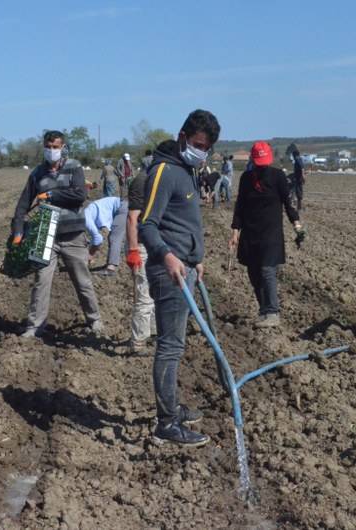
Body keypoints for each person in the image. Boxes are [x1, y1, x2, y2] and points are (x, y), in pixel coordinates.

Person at [140, 109, 221, 447]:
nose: (202, 152)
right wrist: (170, 256)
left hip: (186, 267)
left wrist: (197, 259)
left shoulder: (187, 171)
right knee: (170, 346)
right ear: (183, 137)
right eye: (198, 144)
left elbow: (185, 222)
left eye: (207, 148)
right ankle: (166, 422)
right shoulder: (164, 171)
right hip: (168, 269)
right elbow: (147, 224)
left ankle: (172, 407)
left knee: (178, 343)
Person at [10, 130, 103, 338]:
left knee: (82, 280)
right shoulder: (37, 174)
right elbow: (23, 205)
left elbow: (80, 195)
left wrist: (52, 194)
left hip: (73, 234)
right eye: (48, 147)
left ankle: (94, 320)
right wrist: (18, 232)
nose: (52, 151)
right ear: (44, 147)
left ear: (63, 148)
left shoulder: (75, 167)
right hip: (46, 234)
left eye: (56, 147)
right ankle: (35, 326)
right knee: (41, 281)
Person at [228, 141, 303, 328]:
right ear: (253, 159)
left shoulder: (278, 176)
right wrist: (235, 231)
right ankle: (264, 310)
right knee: (253, 272)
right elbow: (240, 206)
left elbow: (288, 202)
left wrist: (297, 225)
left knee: (267, 270)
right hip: (250, 233)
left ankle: (273, 312)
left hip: (271, 233)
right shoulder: (246, 178)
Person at [125, 169, 156, 354]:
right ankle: (138, 342)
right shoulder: (142, 181)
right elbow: (132, 218)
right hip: (142, 247)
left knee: (156, 293)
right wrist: (133, 249)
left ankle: (152, 333)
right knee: (144, 295)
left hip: (157, 245)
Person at [85, 196, 128, 276]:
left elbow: (98, 239)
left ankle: (110, 268)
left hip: (123, 207)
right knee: (112, 237)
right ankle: (109, 264)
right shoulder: (85, 214)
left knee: (114, 238)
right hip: (122, 205)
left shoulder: (86, 219)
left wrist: (89, 255)